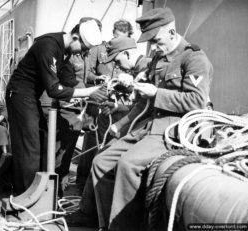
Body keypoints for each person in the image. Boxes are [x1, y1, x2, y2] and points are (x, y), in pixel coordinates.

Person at [66, 7, 213, 231]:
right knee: (100, 162)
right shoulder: (158, 59)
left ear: (172, 33)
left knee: (128, 165)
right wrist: (121, 124)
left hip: (172, 129)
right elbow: (143, 104)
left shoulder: (193, 58)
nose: (154, 46)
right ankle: (104, 222)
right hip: (147, 126)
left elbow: (196, 101)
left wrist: (156, 93)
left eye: (156, 40)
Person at [5, 20, 107, 196]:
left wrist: (96, 87)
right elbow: (54, 89)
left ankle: (39, 189)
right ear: (75, 37)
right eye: (84, 48)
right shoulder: (48, 46)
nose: (85, 53)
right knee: (30, 146)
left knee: (45, 142)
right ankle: (26, 195)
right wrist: (88, 92)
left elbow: (67, 78)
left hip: (31, 96)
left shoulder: (63, 51)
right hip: (19, 95)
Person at [76, 19, 135, 189]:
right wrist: (98, 79)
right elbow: (87, 75)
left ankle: (101, 184)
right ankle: (82, 183)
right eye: (115, 37)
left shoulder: (130, 53)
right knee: (91, 142)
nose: (117, 41)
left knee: (111, 144)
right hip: (97, 102)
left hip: (119, 106)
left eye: (121, 38)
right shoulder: (99, 49)